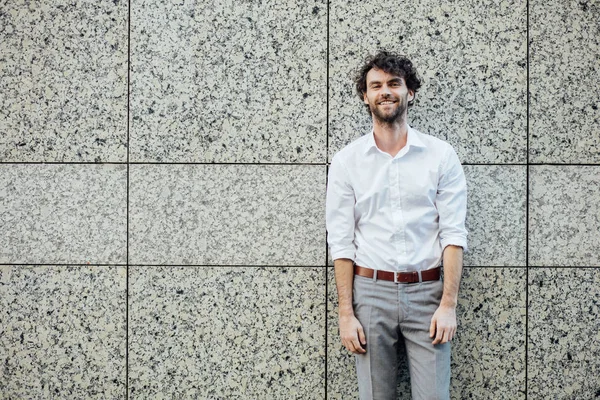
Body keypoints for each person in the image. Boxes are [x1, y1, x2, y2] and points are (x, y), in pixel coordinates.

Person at [326, 50, 468, 400]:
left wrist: (448, 305)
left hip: (428, 295)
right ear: (365, 95)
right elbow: (341, 243)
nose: (385, 91)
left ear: (410, 92)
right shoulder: (347, 162)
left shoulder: (440, 156)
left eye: (394, 83)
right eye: (376, 85)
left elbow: (453, 235)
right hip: (370, 294)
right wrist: (346, 313)